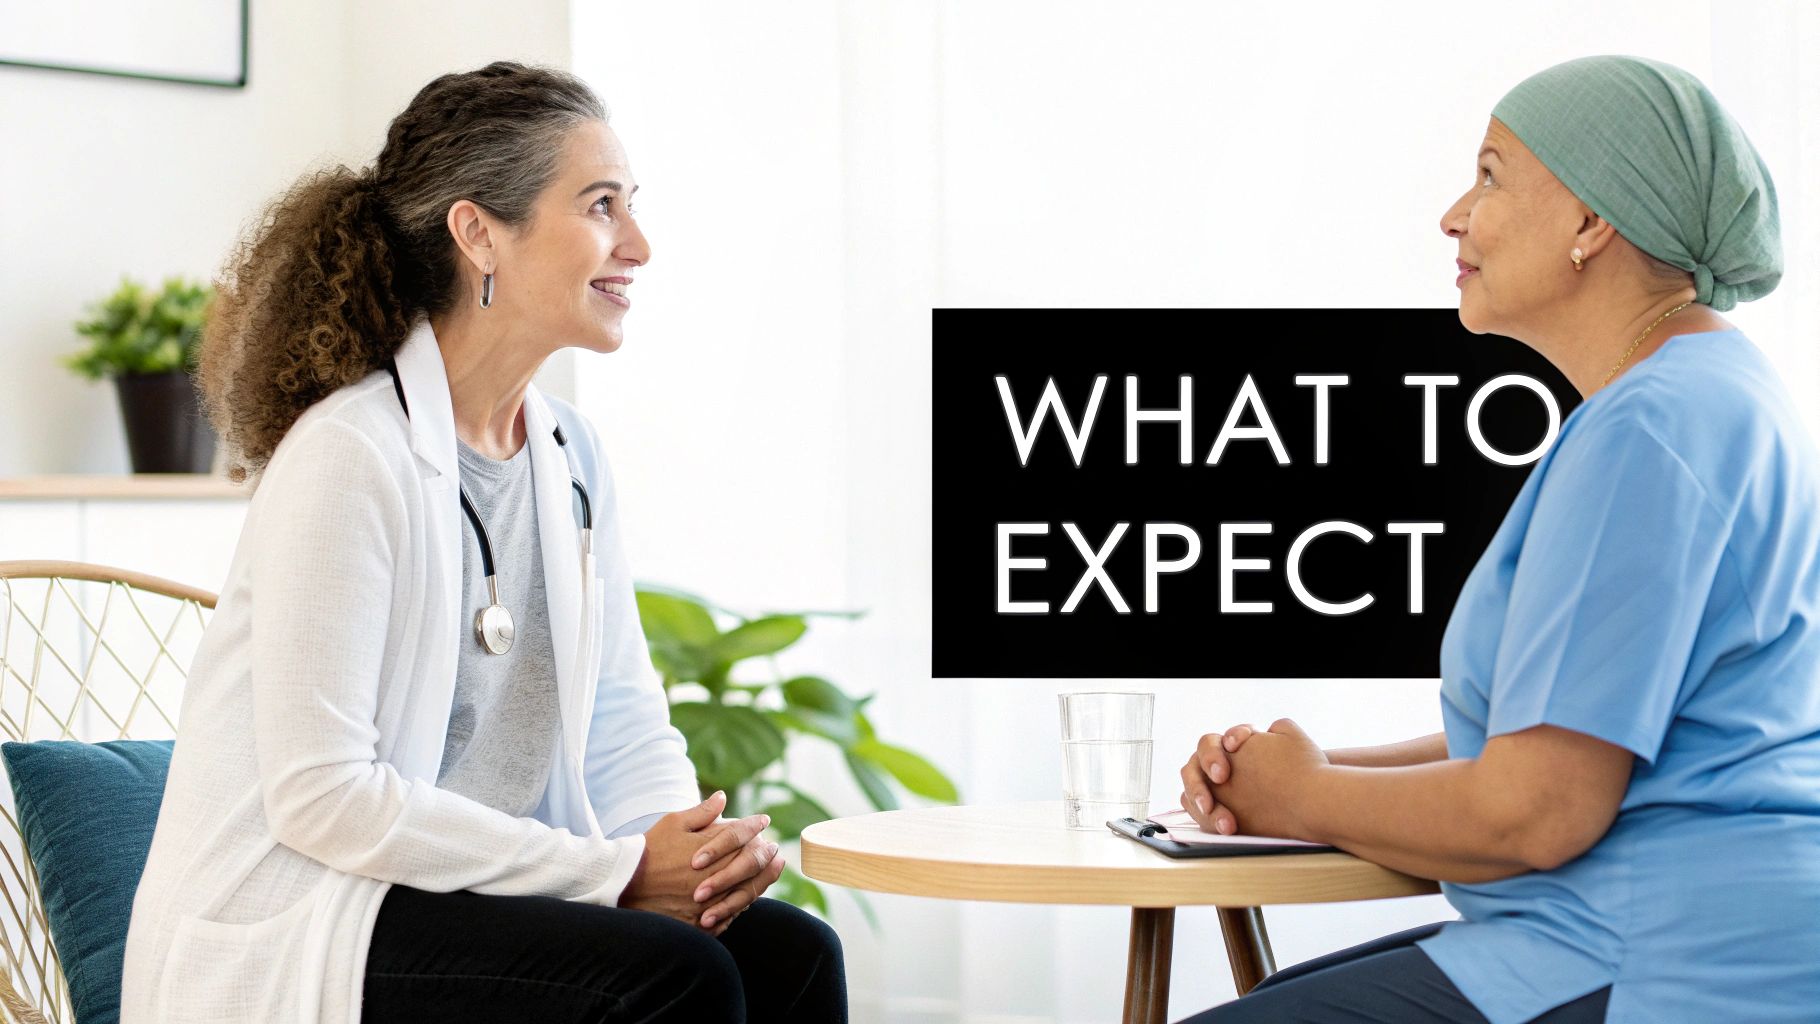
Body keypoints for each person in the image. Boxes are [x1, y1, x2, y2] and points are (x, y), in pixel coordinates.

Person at [119, 61, 847, 1022]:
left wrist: (693, 856)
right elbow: (324, 799)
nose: (638, 243)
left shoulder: (570, 454)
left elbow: (625, 719)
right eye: (600, 207)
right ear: (478, 234)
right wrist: (619, 871)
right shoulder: (349, 456)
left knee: (791, 955)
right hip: (315, 917)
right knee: (679, 980)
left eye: (631, 207)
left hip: (469, 895)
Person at [1172, 54, 1818, 1023]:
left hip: (1650, 959)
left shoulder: (1647, 429)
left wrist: (1301, 796)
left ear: (1590, 222)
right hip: (1693, 932)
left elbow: (1538, 806)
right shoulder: (1710, 394)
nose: (1451, 215)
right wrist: (1299, 769)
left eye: (1488, 174)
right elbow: (1572, 727)